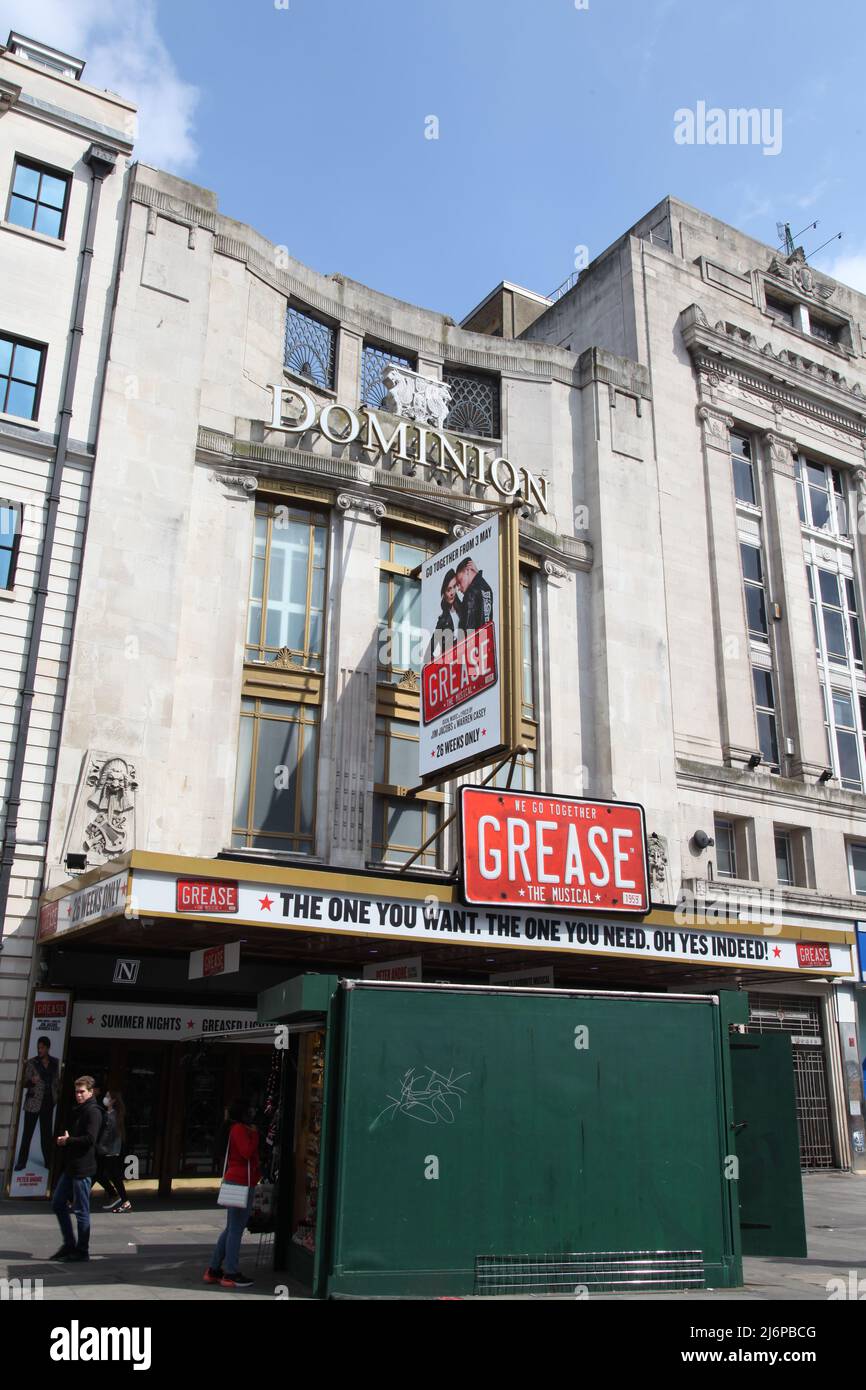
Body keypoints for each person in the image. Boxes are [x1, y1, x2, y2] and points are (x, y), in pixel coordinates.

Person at [204, 1100, 261, 1290]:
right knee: (236, 1228)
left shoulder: (233, 1128)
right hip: (240, 1181)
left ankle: (213, 1269)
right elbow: (246, 1152)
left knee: (231, 1228)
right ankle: (231, 1272)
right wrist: (254, 1135)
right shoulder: (239, 1129)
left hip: (236, 1179)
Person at [50, 1075, 102, 1262]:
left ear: (90, 1092)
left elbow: (90, 1139)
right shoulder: (79, 1110)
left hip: (83, 1168)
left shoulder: (93, 1112)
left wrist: (68, 1140)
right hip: (71, 1167)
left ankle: (82, 1251)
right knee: (57, 1203)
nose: (78, 1095)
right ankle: (69, 1244)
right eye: (76, 1091)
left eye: (82, 1092)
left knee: (81, 1210)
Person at [14, 1036, 60, 1171]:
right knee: (27, 1133)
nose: (39, 1050)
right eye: (38, 1047)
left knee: (46, 1134)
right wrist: (31, 1082)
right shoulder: (32, 1062)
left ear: (47, 1048)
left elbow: (57, 1082)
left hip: (48, 1102)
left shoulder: (55, 1062)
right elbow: (24, 1083)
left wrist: (55, 1098)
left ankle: (48, 1162)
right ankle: (22, 1162)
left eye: (42, 1047)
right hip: (33, 1102)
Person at [95, 1090, 131, 1212]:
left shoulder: (112, 1116)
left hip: (108, 1151)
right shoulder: (111, 1114)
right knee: (102, 1175)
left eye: (108, 1096)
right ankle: (120, 1199)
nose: (105, 1098)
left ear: (113, 1101)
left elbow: (107, 1135)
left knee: (107, 1176)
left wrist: (98, 1147)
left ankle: (121, 1199)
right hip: (109, 1151)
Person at [455, 555, 494, 633]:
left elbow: (468, 628)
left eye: (459, 581)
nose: (458, 588)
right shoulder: (486, 588)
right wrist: (478, 574)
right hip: (485, 641)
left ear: (467, 571)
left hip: (474, 643)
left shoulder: (470, 593)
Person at [431, 568, 463, 658]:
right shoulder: (443, 620)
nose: (452, 592)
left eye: (454, 587)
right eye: (448, 590)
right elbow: (430, 649)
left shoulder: (465, 609)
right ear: (444, 593)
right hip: (451, 663)